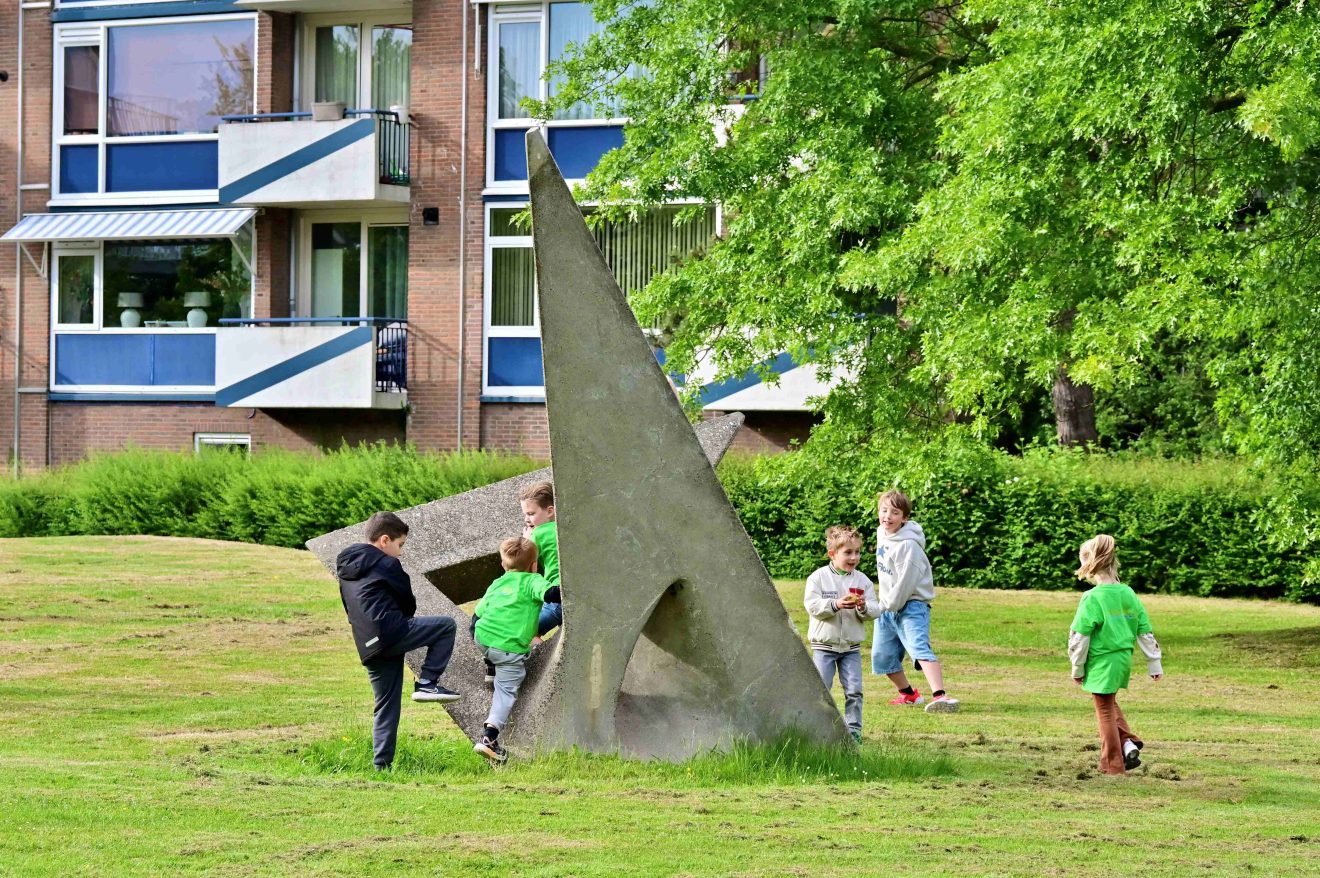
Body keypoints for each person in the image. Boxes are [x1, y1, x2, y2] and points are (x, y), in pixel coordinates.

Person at [336, 511, 460, 771]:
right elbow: (408, 601)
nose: (400, 552)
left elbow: (350, 607)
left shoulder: (345, 568)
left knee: (385, 706)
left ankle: (381, 767)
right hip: (392, 631)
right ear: (384, 540)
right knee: (446, 626)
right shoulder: (387, 564)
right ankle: (427, 682)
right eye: (399, 545)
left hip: (368, 644)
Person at [1069, 534, 1163, 775]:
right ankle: (1129, 742)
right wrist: (1154, 664)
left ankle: (1112, 765)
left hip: (1101, 660)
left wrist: (1077, 668)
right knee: (1109, 703)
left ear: (1089, 564)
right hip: (1122, 659)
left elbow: (1080, 637)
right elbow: (1145, 631)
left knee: (1104, 710)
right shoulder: (1128, 593)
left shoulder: (1092, 597)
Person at [472, 536, 562, 763]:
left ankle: (490, 665)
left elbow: (478, 614)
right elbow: (551, 595)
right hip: (510, 650)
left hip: (482, 638)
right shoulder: (533, 580)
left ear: (503, 564)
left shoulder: (497, 583)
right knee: (505, 692)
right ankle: (489, 739)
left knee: (492, 645)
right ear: (534, 566)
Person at [872, 490, 960, 712]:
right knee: (882, 656)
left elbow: (904, 584)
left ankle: (941, 696)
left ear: (904, 518)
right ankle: (909, 694)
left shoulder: (908, 546)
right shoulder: (882, 533)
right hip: (887, 607)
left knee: (919, 647)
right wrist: (883, 606)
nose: (887, 516)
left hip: (911, 605)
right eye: (884, 511)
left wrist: (884, 605)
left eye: (895, 512)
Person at [804, 525, 880, 743]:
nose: (854, 557)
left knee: (854, 691)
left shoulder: (862, 581)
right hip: (823, 647)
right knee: (821, 691)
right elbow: (813, 606)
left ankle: (853, 731)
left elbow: (876, 609)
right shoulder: (818, 578)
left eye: (857, 552)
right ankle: (818, 729)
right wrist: (836, 604)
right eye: (848, 552)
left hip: (850, 648)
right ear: (832, 554)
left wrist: (864, 608)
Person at [520, 481, 562, 639]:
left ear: (550, 511)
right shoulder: (562, 528)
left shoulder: (538, 534)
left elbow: (524, 564)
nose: (526, 519)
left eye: (531, 514)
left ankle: (539, 662)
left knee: (526, 632)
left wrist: (527, 540)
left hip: (556, 598)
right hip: (569, 595)